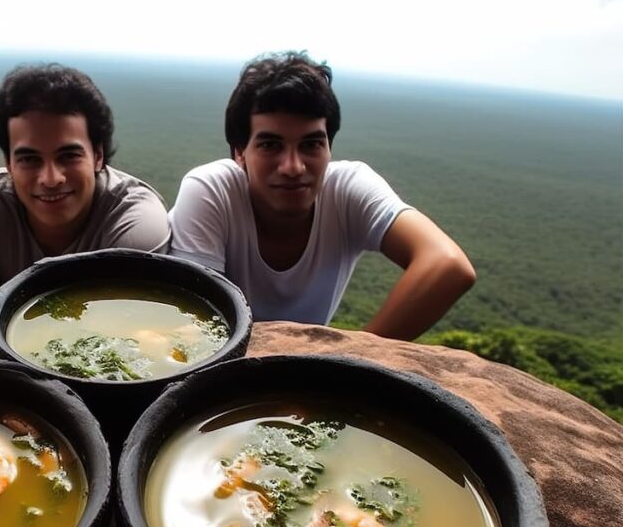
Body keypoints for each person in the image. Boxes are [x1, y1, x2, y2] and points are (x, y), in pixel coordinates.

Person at [168, 51, 476, 340]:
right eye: (271, 145)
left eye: (311, 144)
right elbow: (193, 323)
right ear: (240, 152)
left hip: (309, 377)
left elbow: (448, 265)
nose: (293, 167)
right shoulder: (212, 190)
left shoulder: (347, 188)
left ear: (330, 148)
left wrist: (357, 360)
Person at [0, 63, 170, 311]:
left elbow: (118, 325)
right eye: (29, 159)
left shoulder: (134, 224)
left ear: (98, 156)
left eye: (68, 156)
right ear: (9, 164)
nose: (51, 179)